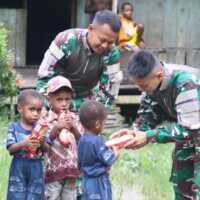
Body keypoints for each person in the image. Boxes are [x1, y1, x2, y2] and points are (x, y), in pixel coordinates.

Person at [114, 50, 200, 199]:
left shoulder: (186, 82)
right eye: (138, 85)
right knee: (182, 186)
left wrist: (149, 136)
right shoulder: (152, 84)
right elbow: (147, 116)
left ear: (159, 75)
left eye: (144, 85)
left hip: (194, 130)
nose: (141, 89)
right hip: (189, 138)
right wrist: (133, 134)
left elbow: (189, 129)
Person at [37, 10, 122, 111]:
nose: (105, 45)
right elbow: (43, 78)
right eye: (102, 40)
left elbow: (110, 93)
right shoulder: (65, 40)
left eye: (110, 42)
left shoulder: (112, 53)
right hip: (56, 100)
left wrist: (96, 113)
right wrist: (49, 105)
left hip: (87, 105)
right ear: (91, 28)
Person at [44, 76, 83, 200]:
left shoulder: (75, 119)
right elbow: (43, 143)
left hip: (72, 170)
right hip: (53, 171)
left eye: (67, 99)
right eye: (59, 99)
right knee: (53, 196)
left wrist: (74, 128)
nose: (64, 103)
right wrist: (56, 128)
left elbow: (82, 141)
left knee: (70, 197)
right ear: (49, 99)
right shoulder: (45, 120)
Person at [6, 89, 49, 200]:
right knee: (16, 194)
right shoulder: (14, 128)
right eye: (32, 109)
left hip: (36, 167)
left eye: (39, 110)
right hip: (18, 166)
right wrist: (24, 143)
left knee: (35, 194)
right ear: (20, 109)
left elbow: (47, 149)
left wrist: (42, 142)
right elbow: (11, 149)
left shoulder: (41, 128)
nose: (35, 114)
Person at [78, 100, 119, 200]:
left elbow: (79, 161)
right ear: (97, 124)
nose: (104, 126)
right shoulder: (98, 141)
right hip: (98, 181)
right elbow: (109, 158)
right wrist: (116, 151)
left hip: (86, 180)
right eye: (104, 123)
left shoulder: (81, 140)